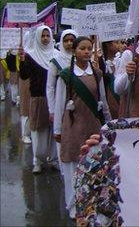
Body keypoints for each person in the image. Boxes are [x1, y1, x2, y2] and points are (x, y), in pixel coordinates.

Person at [53, 36, 111, 218]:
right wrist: (57, 130)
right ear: (74, 51)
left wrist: (109, 123)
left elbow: (103, 100)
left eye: (89, 48)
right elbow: (59, 104)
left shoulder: (97, 74)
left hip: (92, 123)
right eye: (82, 48)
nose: (86, 52)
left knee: (93, 164)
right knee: (72, 166)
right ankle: (72, 204)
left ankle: (91, 201)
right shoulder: (65, 75)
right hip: (73, 124)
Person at [19, 25, 59, 174]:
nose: (45, 38)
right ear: (37, 37)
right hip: (39, 98)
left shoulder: (57, 55)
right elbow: (24, 76)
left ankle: (54, 159)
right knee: (38, 131)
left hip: (55, 98)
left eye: (47, 36)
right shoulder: (31, 55)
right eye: (42, 36)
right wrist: (22, 61)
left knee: (55, 131)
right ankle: (38, 160)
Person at [46, 29, 78, 173]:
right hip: (61, 105)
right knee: (62, 135)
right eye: (66, 40)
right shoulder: (56, 62)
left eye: (72, 40)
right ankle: (63, 168)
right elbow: (50, 87)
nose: (69, 43)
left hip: (78, 105)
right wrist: (52, 109)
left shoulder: (82, 60)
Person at [100, 40, 125, 118]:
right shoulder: (101, 62)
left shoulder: (121, 60)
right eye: (117, 42)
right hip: (108, 101)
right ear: (108, 44)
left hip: (121, 100)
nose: (120, 45)